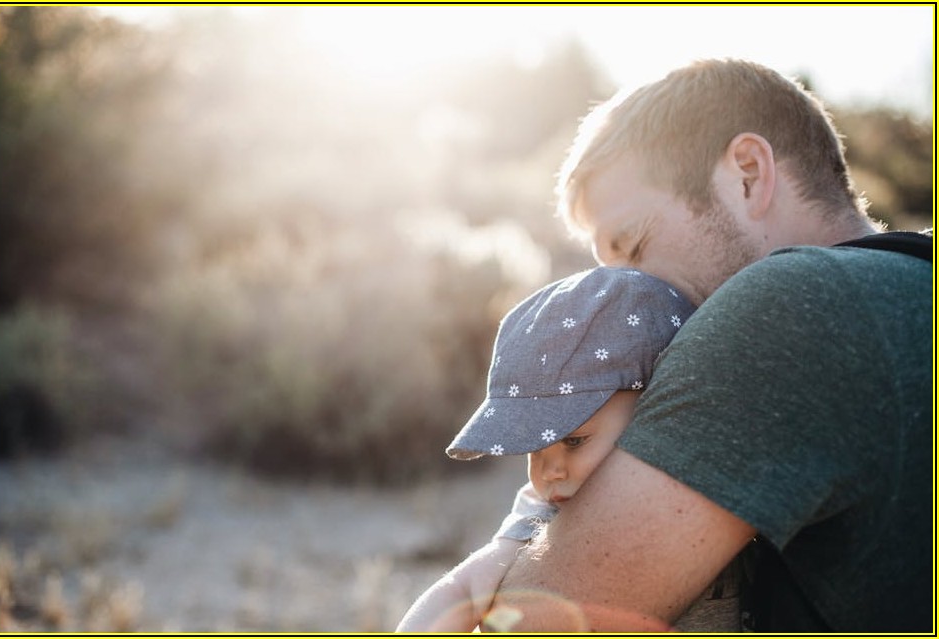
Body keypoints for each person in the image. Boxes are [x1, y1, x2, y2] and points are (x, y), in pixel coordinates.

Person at [484, 58, 932, 632]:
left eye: (634, 246)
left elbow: (534, 625)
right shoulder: (912, 283)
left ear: (747, 173)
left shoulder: (788, 305)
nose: (621, 295)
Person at [396, 266, 722, 632]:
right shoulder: (543, 513)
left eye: (574, 440)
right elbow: (462, 587)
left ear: (656, 407)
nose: (548, 472)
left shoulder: (714, 476)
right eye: (534, 449)